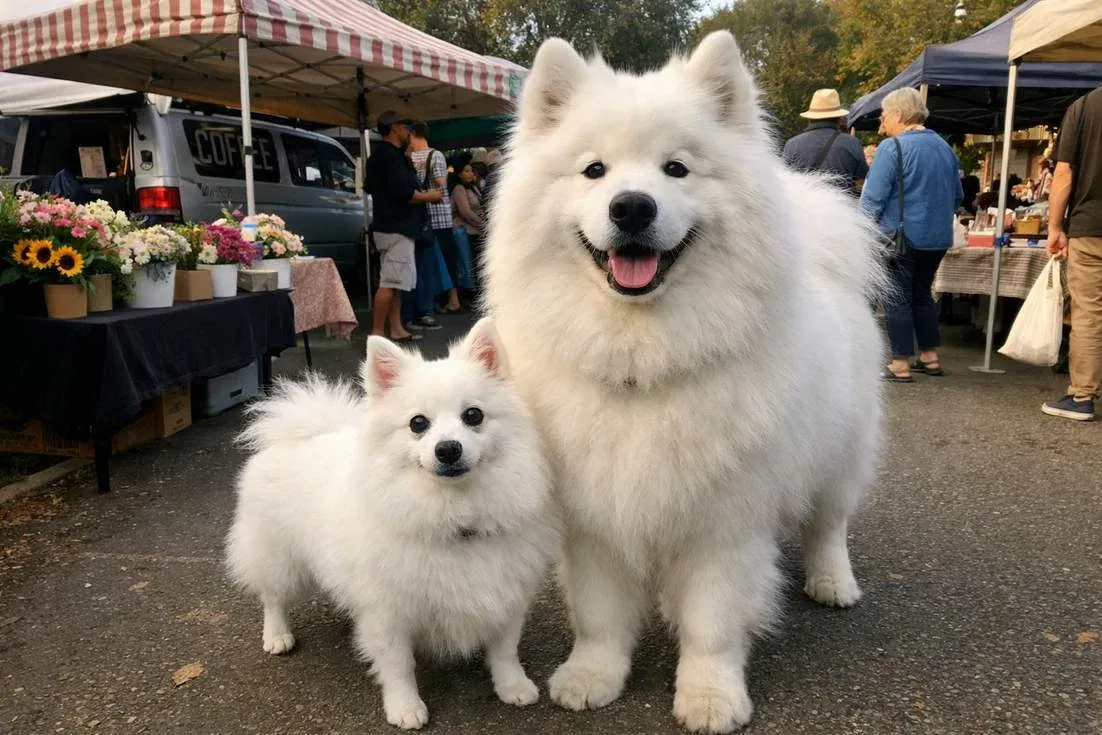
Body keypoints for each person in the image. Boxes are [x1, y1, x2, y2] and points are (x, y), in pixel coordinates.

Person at [861, 87, 963, 382]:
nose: (882, 122)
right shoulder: (945, 147)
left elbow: (873, 199)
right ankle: (930, 356)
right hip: (937, 237)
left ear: (900, 115)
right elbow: (957, 195)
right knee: (922, 295)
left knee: (897, 298)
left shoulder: (893, 149)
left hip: (900, 237)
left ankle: (900, 362)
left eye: (884, 115)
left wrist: (859, 233)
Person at [1042, 87, 1102, 421]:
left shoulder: (1083, 106)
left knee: (1089, 314)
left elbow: (1064, 171)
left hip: (1090, 226)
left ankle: (1082, 396)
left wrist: (1054, 226)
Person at [364, 111, 443, 342]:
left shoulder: (383, 157)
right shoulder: (391, 158)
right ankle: (378, 333)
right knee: (389, 283)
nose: (409, 131)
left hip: (389, 226)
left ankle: (396, 329)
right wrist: (429, 196)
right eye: (405, 126)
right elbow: (405, 194)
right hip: (396, 228)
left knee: (395, 282)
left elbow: (371, 186)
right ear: (394, 128)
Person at [406, 121, 463, 322]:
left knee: (428, 262)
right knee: (447, 258)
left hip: (421, 216)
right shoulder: (436, 155)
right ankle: (453, 298)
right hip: (440, 215)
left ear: (412, 134)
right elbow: (441, 183)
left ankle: (435, 300)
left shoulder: (409, 156)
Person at [782, 88, 868, 195]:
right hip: (840, 209)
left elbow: (785, 183)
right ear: (839, 118)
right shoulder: (852, 143)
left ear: (810, 118)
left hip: (802, 208)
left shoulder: (792, 145)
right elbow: (862, 180)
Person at [451, 162, 486, 285]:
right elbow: (465, 212)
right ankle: (469, 288)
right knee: (468, 262)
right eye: (466, 171)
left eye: (471, 171)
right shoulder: (459, 189)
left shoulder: (474, 188)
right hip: (465, 231)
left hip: (476, 230)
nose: (470, 173)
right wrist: (484, 225)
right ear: (459, 174)